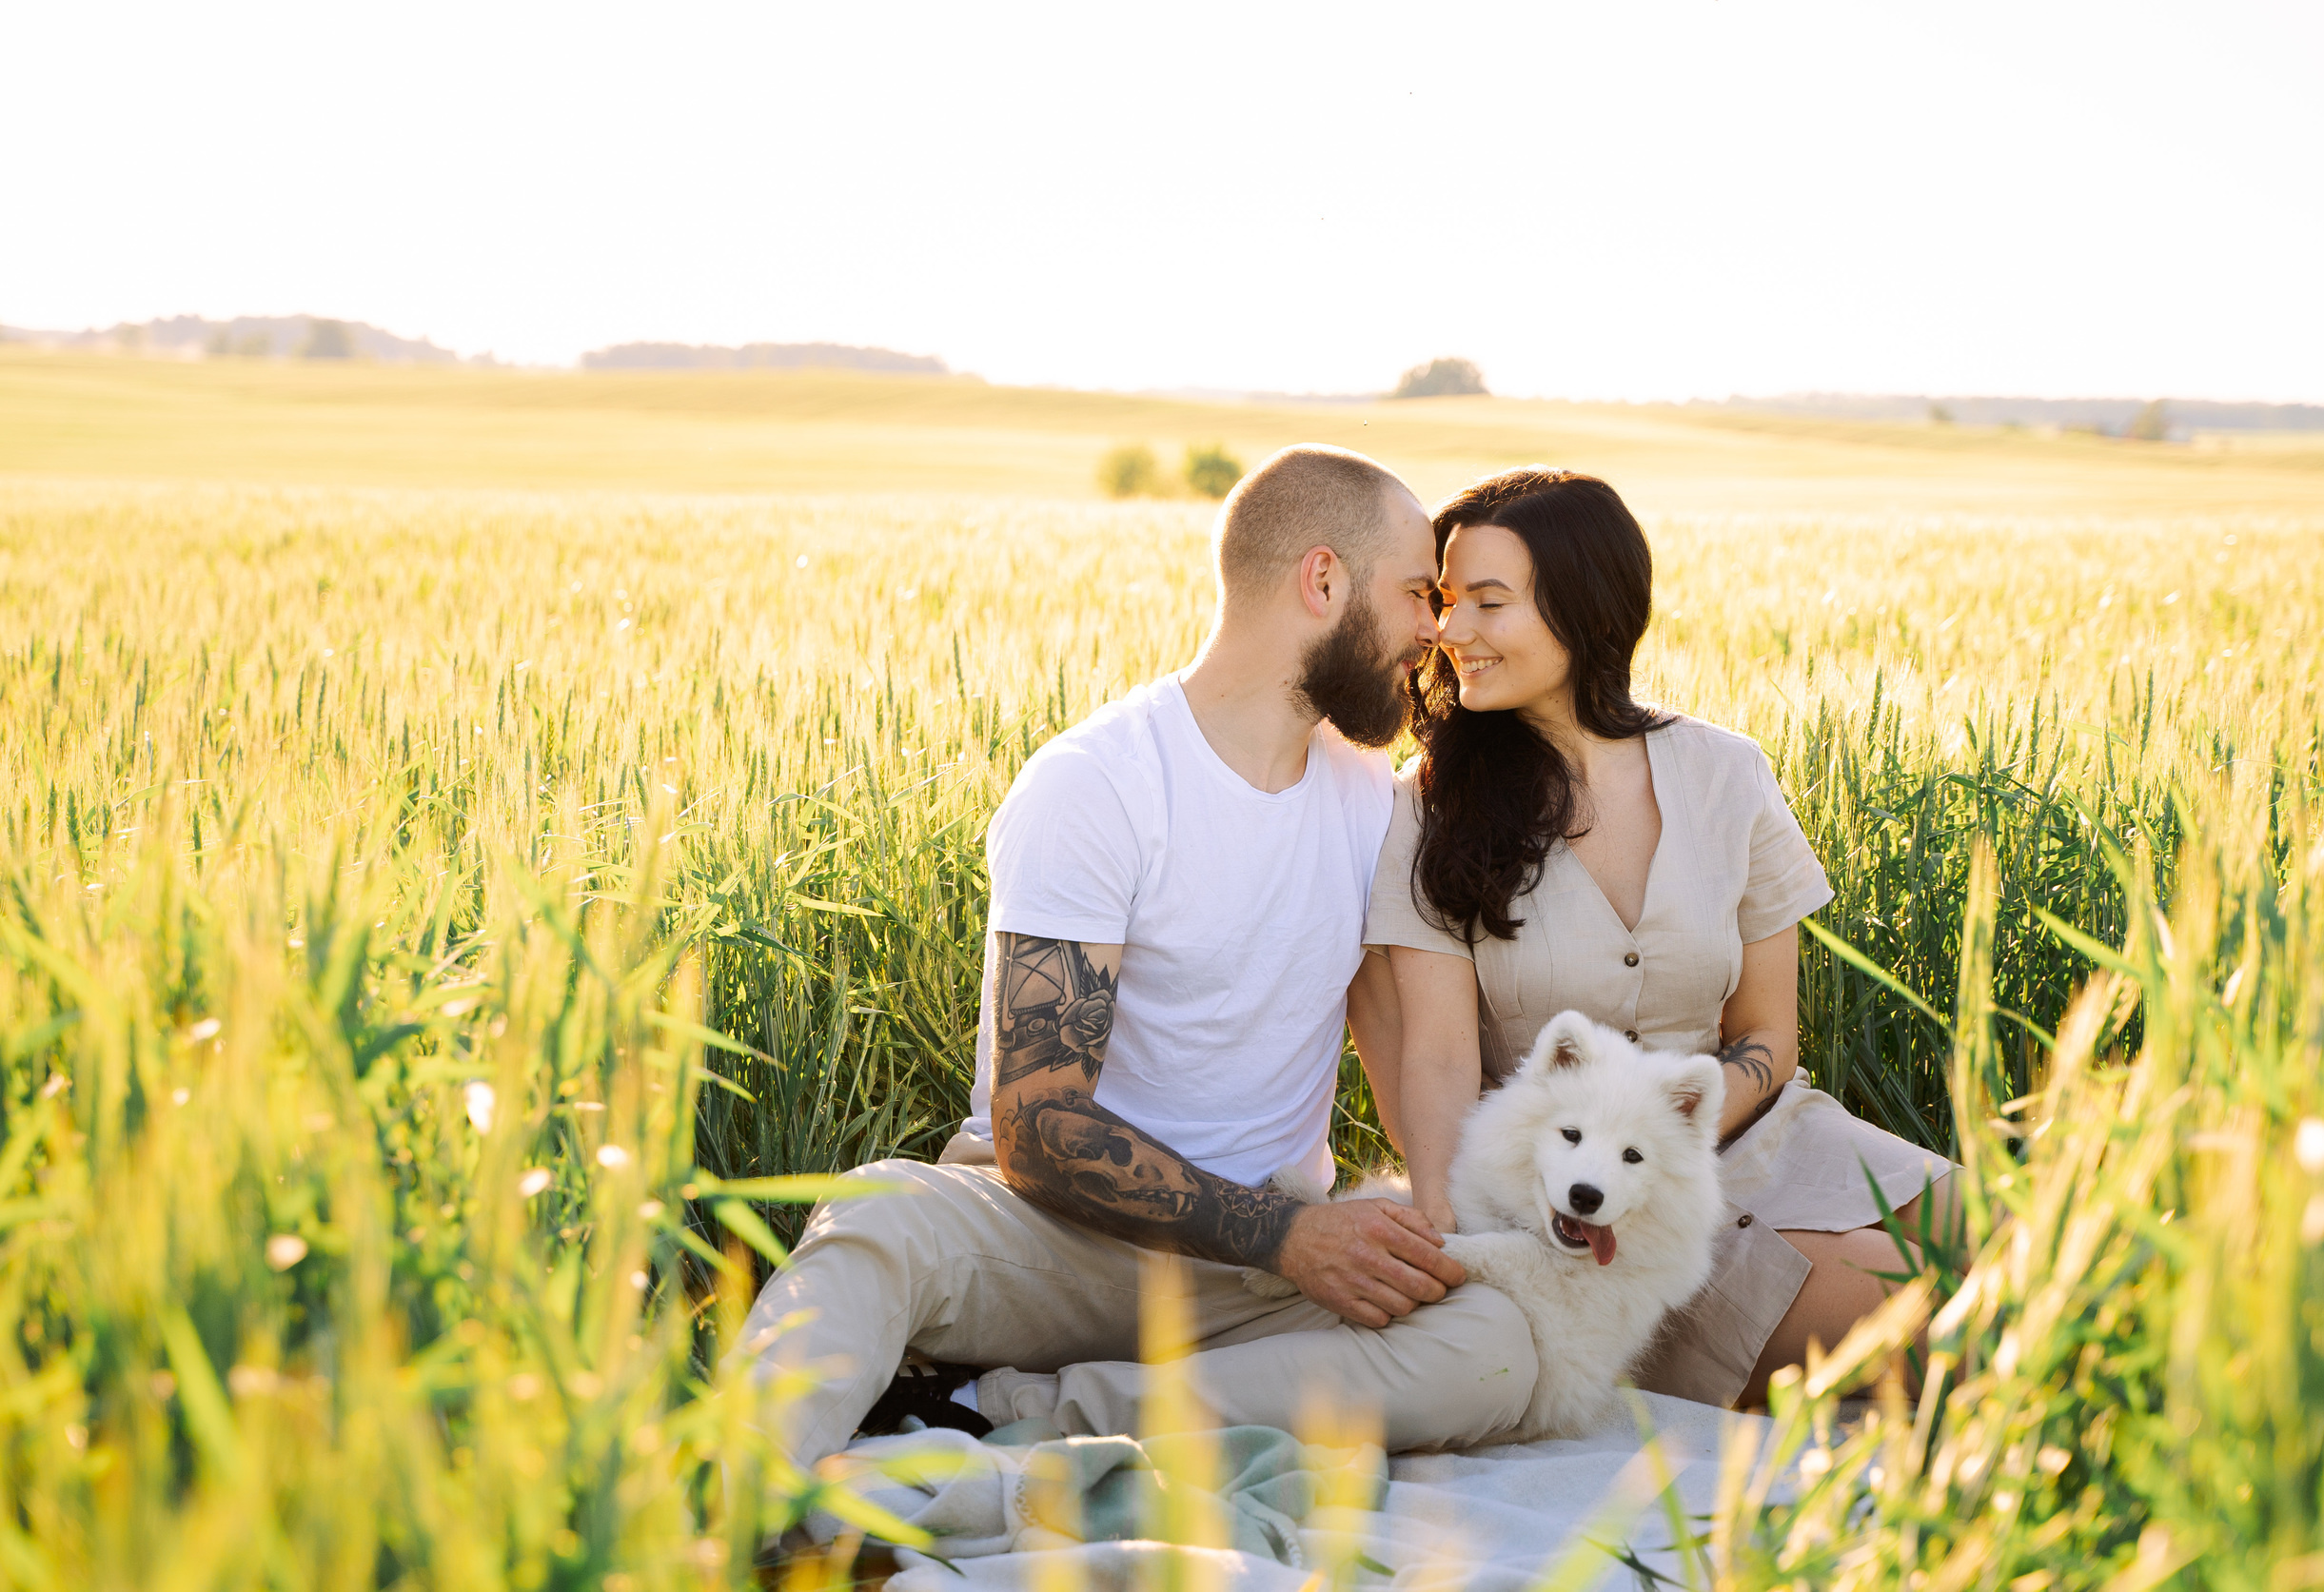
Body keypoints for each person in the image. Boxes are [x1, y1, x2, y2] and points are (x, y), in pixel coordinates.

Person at [738, 444, 1540, 1474]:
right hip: (1056, 1243)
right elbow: (1038, 1128)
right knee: (881, 1218)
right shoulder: (1098, 785)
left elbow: (1402, 1041)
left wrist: (1433, 1232)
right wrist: (1286, 1237)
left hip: (1256, 1276)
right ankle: (719, 1510)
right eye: (1418, 593)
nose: (1435, 628)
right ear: (1323, 579)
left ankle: (1019, 1410)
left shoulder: (1368, 798)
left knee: (1495, 1350)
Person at [1360, 465, 1959, 1407]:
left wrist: (1674, 1134)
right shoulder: (1430, 807)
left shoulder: (1726, 771)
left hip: (1767, 1134)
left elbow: (1768, 1031)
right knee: (1931, 1311)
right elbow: (1430, 1055)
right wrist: (1454, 1226)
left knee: (2038, 1249)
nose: (1452, 631)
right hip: (1582, 1202)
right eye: (1444, 600)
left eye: (1488, 601)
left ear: (1585, 607)